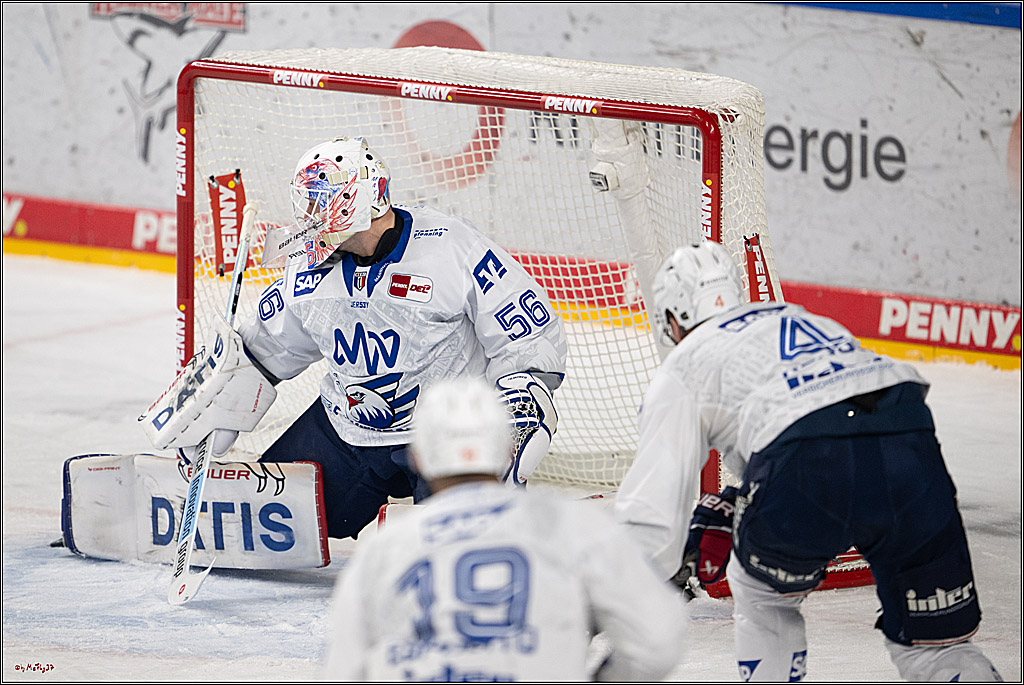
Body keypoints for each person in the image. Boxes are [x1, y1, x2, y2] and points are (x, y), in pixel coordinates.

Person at [142, 136, 567, 542]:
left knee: (456, 547)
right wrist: (220, 398)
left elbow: (529, 338)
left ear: (356, 200)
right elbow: (264, 351)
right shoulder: (308, 264)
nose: (308, 216)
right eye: (305, 203)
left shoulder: (450, 247)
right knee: (254, 520)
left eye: (319, 201)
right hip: (346, 429)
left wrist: (512, 415)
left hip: (445, 431)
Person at [614, 240, 1002, 682]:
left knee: (762, 596)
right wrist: (747, 501)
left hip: (807, 457)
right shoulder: (800, 317)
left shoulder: (684, 362)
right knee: (935, 649)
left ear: (673, 317)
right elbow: (845, 425)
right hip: (908, 436)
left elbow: (651, 520)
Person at [323, 377, 687, 681]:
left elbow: (346, 671)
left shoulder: (382, 550)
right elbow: (658, 640)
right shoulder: (576, 526)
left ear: (417, 456)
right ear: (510, 449)